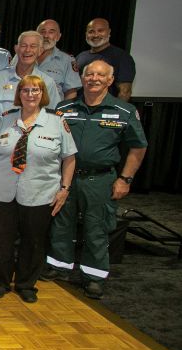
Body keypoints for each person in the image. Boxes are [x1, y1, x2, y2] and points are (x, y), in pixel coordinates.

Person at [45, 61, 147, 299]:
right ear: (82, 78)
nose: (93, 78)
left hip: (100, 179)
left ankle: (94, 276)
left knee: (97, 228)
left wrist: (125, 178)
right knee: (61, 223)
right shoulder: (64, 107)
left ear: (110, 80)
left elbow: (138, 148)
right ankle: (60, 266)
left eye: (100, 75)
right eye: (89, 74)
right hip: (66, 177)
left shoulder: (124, 111)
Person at [0, 76, 77, 303]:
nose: (30, 94)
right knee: (0, 240)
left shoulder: (57, 122)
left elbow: (69, 158)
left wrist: (64, 188)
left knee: (33, 240)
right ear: (19, 94)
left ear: (42, 93)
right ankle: (0, 282)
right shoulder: (7, 119)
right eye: (25, 90)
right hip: (2, 190)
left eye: (35, 90)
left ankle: (26, 284)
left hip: (40, 191)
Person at [0, 31, 61, 135]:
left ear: (40, 51)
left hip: (31, 141)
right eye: (23, 45)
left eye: (33, 46)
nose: (27, 50)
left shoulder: (48, 82)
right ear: (16, 49)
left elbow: (52, 115)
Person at [75, 18, 136, 101]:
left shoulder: (122, 57)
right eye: (91, 32)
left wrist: (114, 112)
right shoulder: (80, 56)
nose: (96, 35)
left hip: (106, 111)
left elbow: (125, 91)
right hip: (80, 109)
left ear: (109, 32)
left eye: (100, 31)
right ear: (86, 34)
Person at [34, 19, 81, 100]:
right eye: (43, 31)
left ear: (58, 37)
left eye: (51, 32)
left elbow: (71, 93)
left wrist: (65, 112)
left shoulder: (67, 60)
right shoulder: (22, 55)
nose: (46, 36)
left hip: (52, 111)